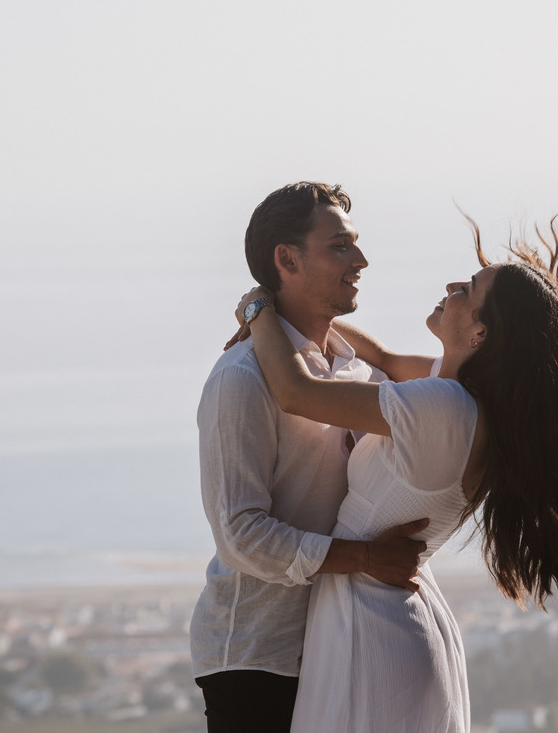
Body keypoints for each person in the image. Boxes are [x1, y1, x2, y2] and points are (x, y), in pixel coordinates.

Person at [231, 214, 558, 733]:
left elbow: (298, 394)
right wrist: (291, 312)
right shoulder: (468, 400)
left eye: (470, 289)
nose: (452, 286)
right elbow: (383, 357)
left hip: (373, 636)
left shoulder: (442, 409)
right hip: (386, 620)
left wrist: (258, 308)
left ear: (481, 330)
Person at [189, 182, 430, 733]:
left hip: (339, 639)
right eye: (340, 246)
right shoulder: (241, 380)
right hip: (258, 656)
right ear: (287, 259)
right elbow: (241, 534)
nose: (361, 261)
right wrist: (367, 560)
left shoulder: (353, 366)